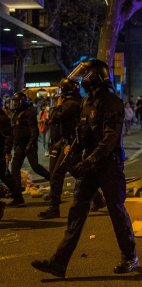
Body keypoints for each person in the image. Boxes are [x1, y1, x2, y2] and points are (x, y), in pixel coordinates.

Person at [31, 59, 138, 278]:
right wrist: (72, 156)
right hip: (90, 165)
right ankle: (58, 263)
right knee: (76, 214)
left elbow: (109, 141)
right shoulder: (86, 102)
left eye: (85, 75)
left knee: (116, 211)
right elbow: (82, 135)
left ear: (95, 76)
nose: (81, 79)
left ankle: (130, 256)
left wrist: (85, 163)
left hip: (109, 166)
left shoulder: (112, 103)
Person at [38, 78, 106, 219]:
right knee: (75, 172)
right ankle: (98, 199)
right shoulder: (75, 102)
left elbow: (54, 117)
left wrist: (57, 105)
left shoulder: (71, 104)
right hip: (64, 142)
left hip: (71, 144)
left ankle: (54, 208)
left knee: (58, 174)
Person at [10, 92, 50, 192]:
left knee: (35, 167)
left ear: (22, 102)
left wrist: (30, 143)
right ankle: (17, 193)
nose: (14, 104)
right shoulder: (15, 113)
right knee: (15, 167)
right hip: (19, 145)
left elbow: (34, 130)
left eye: (16, 101)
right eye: (14, 101)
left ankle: (53, 180)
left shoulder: (29, 113)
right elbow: (15, 129)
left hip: (28, 144)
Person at [0, 99, 25, 207]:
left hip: (0, 151)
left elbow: (8, 137)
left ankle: (18, 198)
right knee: (6, 176)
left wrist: (7, 151)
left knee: (6, 176)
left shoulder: (2, 118)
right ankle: (18, 198)